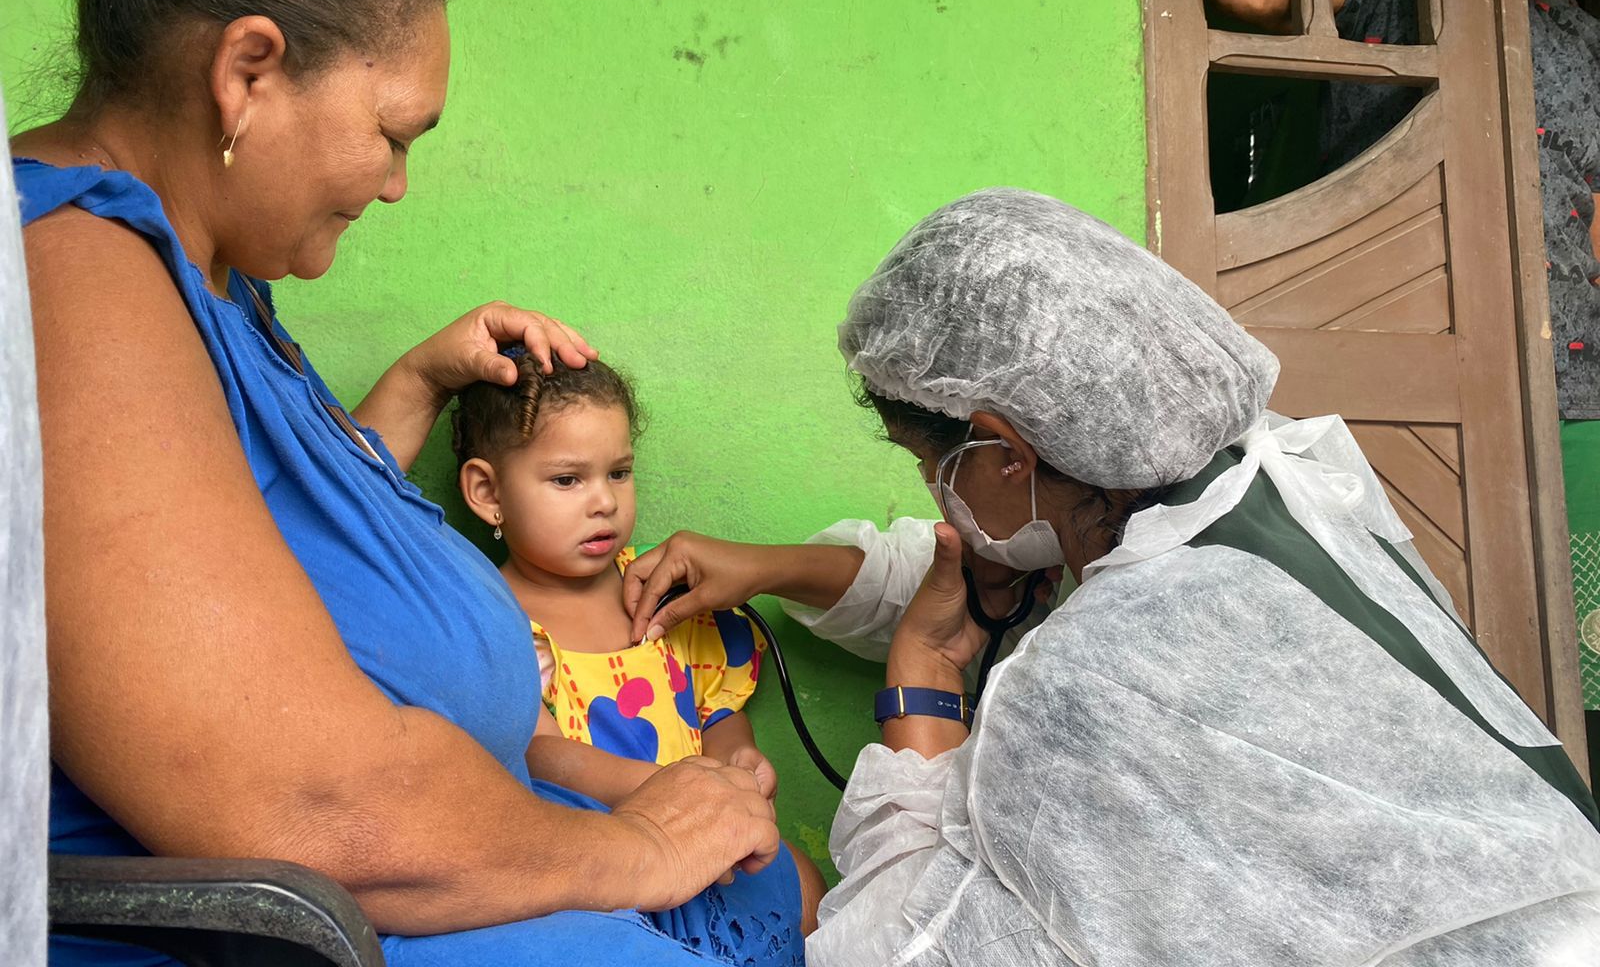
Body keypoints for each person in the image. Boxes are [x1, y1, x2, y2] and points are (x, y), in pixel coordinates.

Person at [17, 0, 802, 965]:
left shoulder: (206, 270)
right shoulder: (69, 275)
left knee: (761, 878)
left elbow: (270, 534)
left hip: (420, 859)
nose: (395, 185)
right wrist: (633, 848)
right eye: (391, 134)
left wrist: (416, 385)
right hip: (298, 921)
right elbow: (308, 806)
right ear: (247, 71)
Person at [628, 187, 1600, 964]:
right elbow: (981, 568)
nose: (934, 498)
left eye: (929, 463)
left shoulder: (1090, 685)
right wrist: (768, 567)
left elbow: (906, 947)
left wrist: (919, 693)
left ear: (1005, 451)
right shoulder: (1271, 476)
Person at [1210, 0, 1600, 766]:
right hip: (1411, 382)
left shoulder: (1589, 48)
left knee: (1577, 686)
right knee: (1401, 683)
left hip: (1577, 407)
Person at [449, 353, 827, 926]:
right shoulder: (497, 622)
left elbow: (715, 714)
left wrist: (735, 760)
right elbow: (541, 755)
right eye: (567, 480)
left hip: (711, 842)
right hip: (597, 869)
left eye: (619, 473)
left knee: (802, 883)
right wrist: (677, 788)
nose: (604, 501)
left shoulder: (664, 596)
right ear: (488, 492)